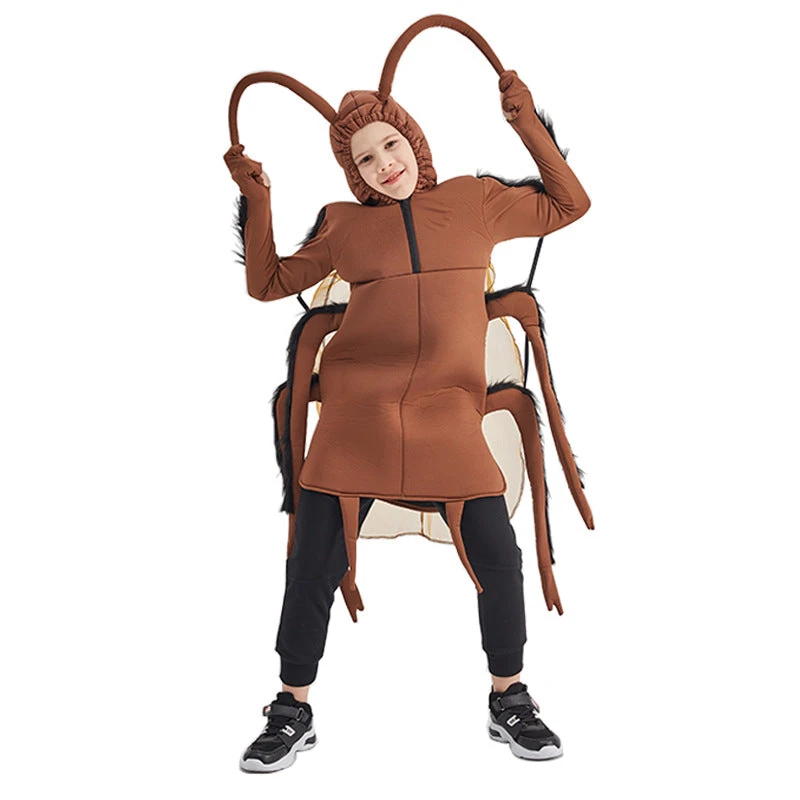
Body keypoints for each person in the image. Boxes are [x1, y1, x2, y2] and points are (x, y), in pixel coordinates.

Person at [224, 25, 591, 772]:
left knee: (498, 555)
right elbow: (267, 283)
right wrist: (256, 196)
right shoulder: (343, 226)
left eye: (391, 145)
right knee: (312, 562)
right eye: (365, 158)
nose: (383, 164)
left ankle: (509, 696)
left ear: (414, 143)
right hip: (355, 419)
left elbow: (569, 203)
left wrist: (523, 121)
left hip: (447, 416)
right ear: (352, 171)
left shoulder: (475, 202)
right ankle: (291, 705)